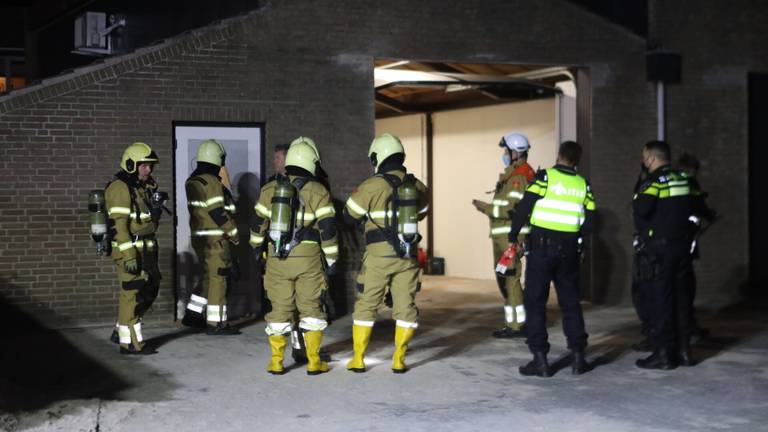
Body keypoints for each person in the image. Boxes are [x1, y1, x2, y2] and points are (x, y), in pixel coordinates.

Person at [250, 138, 338, 375]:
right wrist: (331, 260)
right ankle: (313, 361)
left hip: (277, 258)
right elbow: (328, 229)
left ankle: (277, 362)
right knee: (310, 308)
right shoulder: (318, 190)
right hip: (308, 259)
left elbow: (257, 224)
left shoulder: (269, 189)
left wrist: (257, 250)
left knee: (279, 309)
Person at [507, 140, 595, 377]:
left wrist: (513, 234)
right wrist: (576, 235)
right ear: (577, 160)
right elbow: (592, 220)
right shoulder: (583, 185)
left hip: (542, 251)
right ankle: (578, 358)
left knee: (535, 303)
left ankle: (540, 360)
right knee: (571, 304)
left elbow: (525, 206)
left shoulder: (546, 178)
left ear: (558, 156)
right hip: (569, 253)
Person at [343, 133, 429, 374]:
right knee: (405, 306)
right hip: (407, 256)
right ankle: (399, 359)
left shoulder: (372, 185)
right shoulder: (417, 186)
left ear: (378, 157)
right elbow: (422, 213)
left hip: (378, 257)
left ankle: (358, 358)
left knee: (367, 305)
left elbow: (348, 217)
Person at [633, 140, 693, 369]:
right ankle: (685, 351)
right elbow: (695, 206)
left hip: (660, 249)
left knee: (661, 301)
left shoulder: (654, 181)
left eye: (644, 157)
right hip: (682, 247)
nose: (644, 161)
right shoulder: (683, 178)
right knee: (682, 300)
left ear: (651, 158)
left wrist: (640, 187)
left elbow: (641, 209)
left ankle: (663, 355)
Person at [472, 132, 535, 338]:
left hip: (510, 237)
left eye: (505, 151)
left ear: (515, 153)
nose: (504, 154)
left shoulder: (518, 178)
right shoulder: (512, 175)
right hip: (502, 236)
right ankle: (513, 323)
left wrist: (484, 208)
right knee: (506, 279)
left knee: (511, 280)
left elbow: (511, 210)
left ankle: (518, 326)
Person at [105, 142, 162, 355]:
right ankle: (130, 344)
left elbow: (147, 223)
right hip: (129, 251)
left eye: (150, 165)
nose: (149, 169)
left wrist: (155, 210)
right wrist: (128, 254)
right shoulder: (119, 188)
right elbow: (119, 225)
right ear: (131, 164)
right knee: (131, 293)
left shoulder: (142, 187)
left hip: (145, 249)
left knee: (151, 286)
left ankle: (121, 330)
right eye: (144, 165)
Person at [182, 139, 241, 335]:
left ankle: (193, 314)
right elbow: (218, 213)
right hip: (216, 240)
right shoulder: (213, 182)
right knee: (219, 280)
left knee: (208, 277)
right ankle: (216, 324)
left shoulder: (193, 181)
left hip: (200, 239)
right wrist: (234, 234)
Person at [677, 153, 717, 342]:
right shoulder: (689, 182)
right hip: (686, 240)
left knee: (681, 284)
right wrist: (710, 214)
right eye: (693, 170)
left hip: (677, 240)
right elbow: (699, 205)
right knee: (686, 285)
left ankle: (685, 325)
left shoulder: (675, 181)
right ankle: (688, 326)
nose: (694, 173)